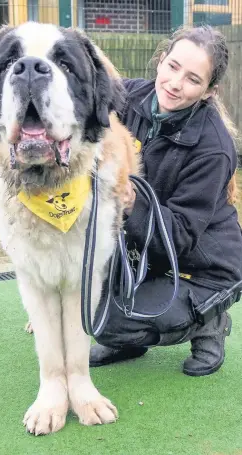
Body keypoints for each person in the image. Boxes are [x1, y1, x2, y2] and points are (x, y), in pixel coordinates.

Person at [90, 25, 242, 376]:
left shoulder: (213, 149)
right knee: (88, 305)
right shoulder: (128, 96)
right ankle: (131, 336)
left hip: (202, 267)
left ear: (208, 91)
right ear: (160, 61)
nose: (175, 83)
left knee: (105, 321)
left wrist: (130, 199)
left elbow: (180, 238)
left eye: (192, 79)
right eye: (172, 67)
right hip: (147, 253)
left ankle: (209, 320)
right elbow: (87, 93)